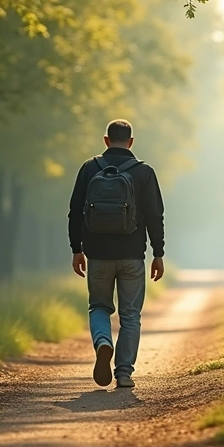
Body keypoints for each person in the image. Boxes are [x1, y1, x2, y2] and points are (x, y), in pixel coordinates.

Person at [68, 119, 165, 389]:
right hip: (132, 256)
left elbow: (75, 212)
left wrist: (77, 249)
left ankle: (103, 342)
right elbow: (155, 215)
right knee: (130, 315)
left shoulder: (89, 168)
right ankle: (123, 373)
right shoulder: (144, 172)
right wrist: (158, 253)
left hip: (98, 255)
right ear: (131, 142)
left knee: (99, 306)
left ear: (106, 140)